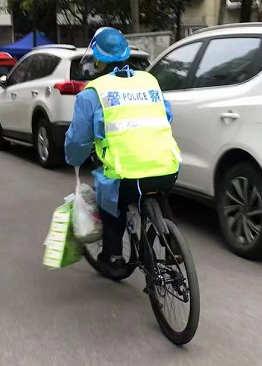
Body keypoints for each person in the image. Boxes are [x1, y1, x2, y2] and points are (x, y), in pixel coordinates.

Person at [65, 27, 181, 277]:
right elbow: (167, 116)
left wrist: (73, 159)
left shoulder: (93, 92)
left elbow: (77, 140)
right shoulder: (150, 81)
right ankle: (172, 241)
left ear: (97, 59)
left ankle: (114, 256)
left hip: (125, 176)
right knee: (159, 192)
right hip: (169, 166)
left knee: (111, 204)